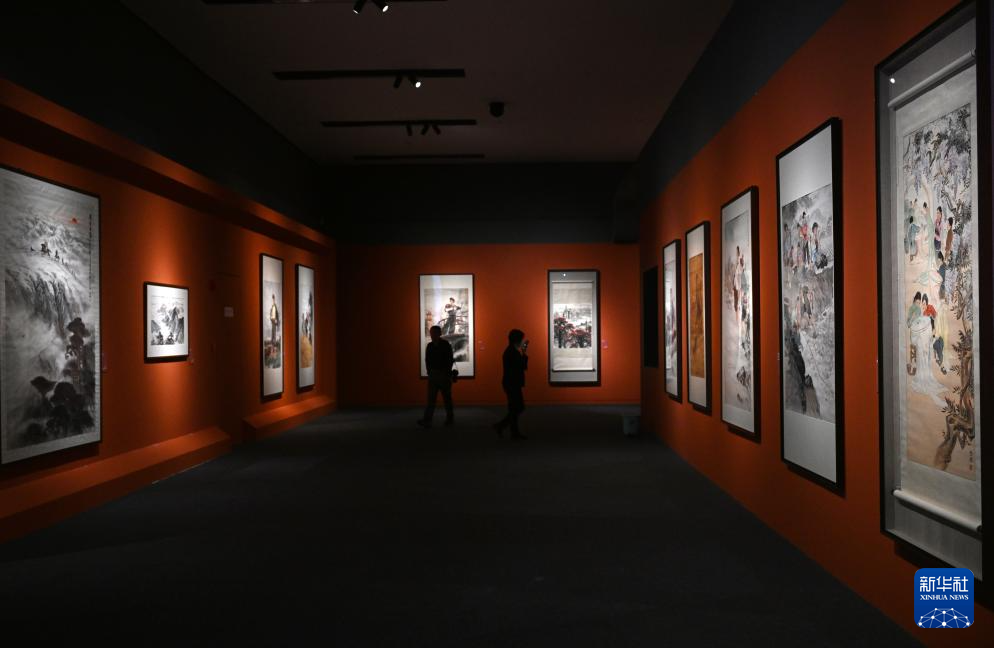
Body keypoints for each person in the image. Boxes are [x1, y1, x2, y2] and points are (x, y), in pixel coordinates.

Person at [417, 325, 454, 428]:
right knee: (431, 399)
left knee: (446, 399)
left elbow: (449, 359)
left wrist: (446, 372)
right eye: (431, 333)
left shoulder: (445, 345)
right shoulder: (430, 346)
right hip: (433, 375)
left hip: (443, 375)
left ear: (439, 334)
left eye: (434, 333)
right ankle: (427, 420)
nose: (432, 335)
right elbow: (427, 360)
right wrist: (430, 372)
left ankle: (449, 419)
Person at [494, 329, 528, 440]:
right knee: (518, 408)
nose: (522, 341)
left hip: (510, 383)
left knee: (515, 408)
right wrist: (524, 353)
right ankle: (503, 427)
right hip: (512, 383)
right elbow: (522, 366)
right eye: (521, 339)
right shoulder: (512, 352)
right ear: (517, 340)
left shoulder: (510, 351)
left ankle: (510, 431)